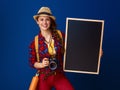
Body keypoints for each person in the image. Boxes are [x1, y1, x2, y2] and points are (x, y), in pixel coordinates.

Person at [29, 7, 74, 90]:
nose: (44, 22)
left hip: (59, 76)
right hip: (44, 78)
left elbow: (75, 47)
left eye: (47, 19)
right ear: (37, 22)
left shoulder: (60, 35)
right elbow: (32, 62)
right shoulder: (35, 42)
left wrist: (95, 52)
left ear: (51, 21)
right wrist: (42, 64)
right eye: (41, 19)